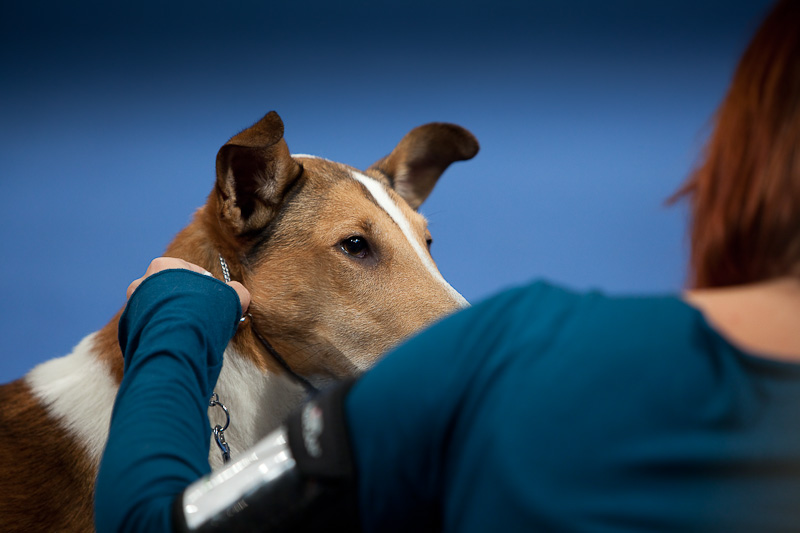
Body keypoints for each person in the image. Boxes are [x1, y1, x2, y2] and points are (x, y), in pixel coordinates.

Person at [95, 1, 800, 531]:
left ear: (736, 166)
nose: (455, 318)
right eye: (358, 246)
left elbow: (147, 522)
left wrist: (171, 314)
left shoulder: (500, 358)